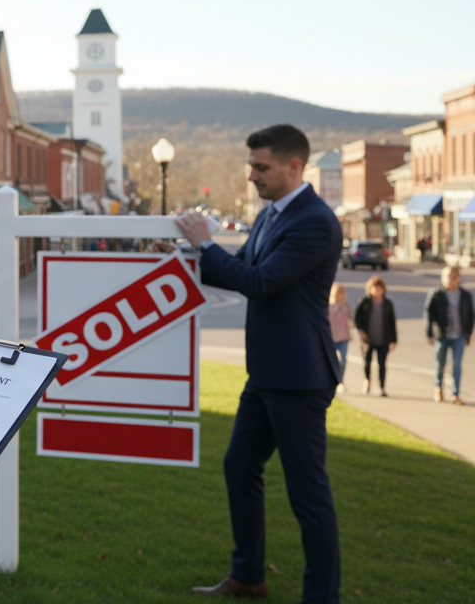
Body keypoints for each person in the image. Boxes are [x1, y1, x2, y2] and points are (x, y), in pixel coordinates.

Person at [175, 124, 342, 604]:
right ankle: (248, 577)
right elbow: (242, 266)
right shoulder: (272, 214)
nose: (251, 175)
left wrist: (205, 244)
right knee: (239, 465)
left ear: (294, 166)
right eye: (251, 165)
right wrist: (188, 253)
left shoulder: (315, 220)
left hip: (299, 378)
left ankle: (321, 597)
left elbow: (261, 281)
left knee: (308, 497)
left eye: (261, 167)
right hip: (266, 373)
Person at [424, 265, 472, 405]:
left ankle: (455, 394)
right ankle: (438, 388)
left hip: (459, 335)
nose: (451, 280)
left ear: (459, 279)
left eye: (454, 277)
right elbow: (429, 314)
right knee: (440, 363)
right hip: (442, 335)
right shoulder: (436, 294)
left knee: (457, 365)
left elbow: (470, 316)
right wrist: (430, 333)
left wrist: (468, 334)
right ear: (442, 278)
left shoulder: (465, 296)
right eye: (448, 277)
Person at [353, 276, 397, 397]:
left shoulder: (387, 304)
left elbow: (392, 322)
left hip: (383, 339)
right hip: (368, 340)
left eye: (379, 289)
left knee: (382, 364)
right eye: (375, 289)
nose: (377, 291)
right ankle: (367, 380)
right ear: (370, 289)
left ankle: (382, 387)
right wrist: (361, 332)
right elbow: (357, 319)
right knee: (367, 363)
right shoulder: (364, 302)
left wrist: (394, 340)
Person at [328, 283, 352, 394]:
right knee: (332, 361)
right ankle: (332, 381)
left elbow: (352, 320)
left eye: (342, 293)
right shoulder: (328, 307)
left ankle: (340, 381)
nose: (339, 296)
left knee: (343, 360)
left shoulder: (346, 306)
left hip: (343, 337)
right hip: (331, 338)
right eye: (337, 293)